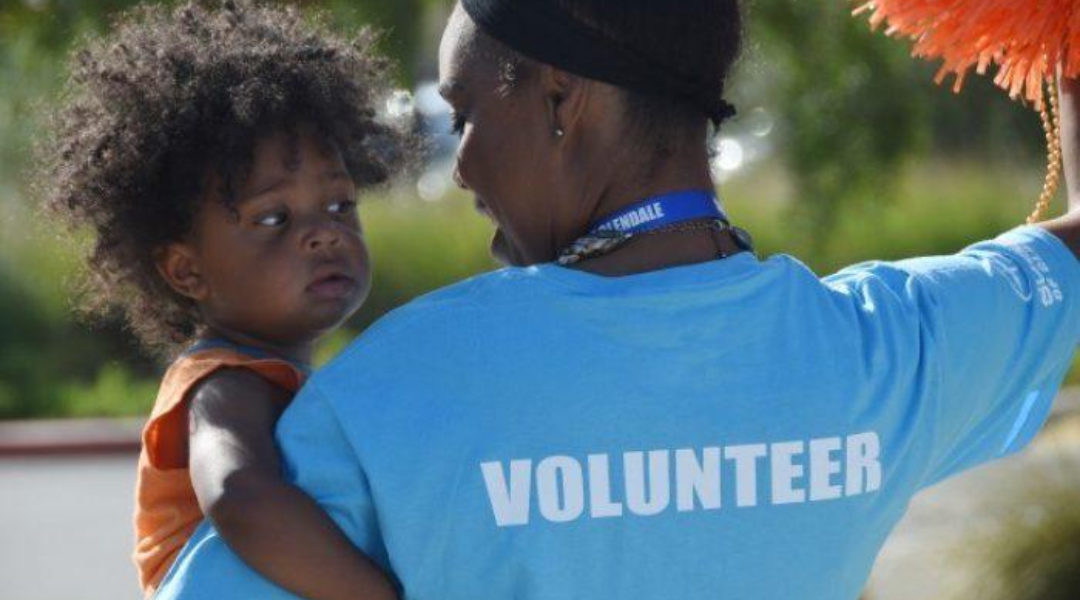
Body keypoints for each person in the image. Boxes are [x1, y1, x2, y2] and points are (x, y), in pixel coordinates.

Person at [157, 1, 1080, 598]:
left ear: (561, 100)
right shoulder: (887, 349)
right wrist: (1058, 34)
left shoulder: (389, 391)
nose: (461, 164)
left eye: (466, 115)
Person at [42, 2, 402, 599]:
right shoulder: (222, 383)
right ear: (187, 270)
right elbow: (239, 493)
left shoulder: (277, 377)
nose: (324, 233)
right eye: (274, 218)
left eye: (340, 204)